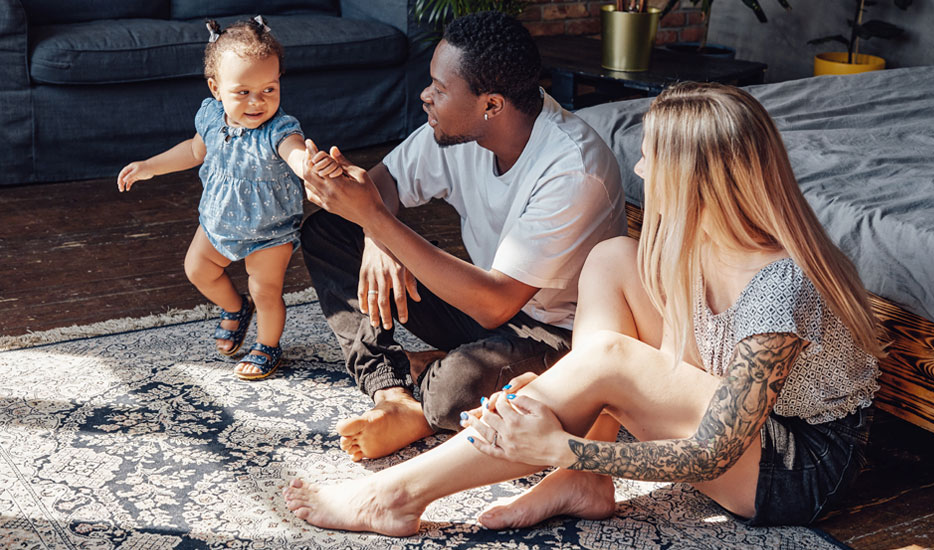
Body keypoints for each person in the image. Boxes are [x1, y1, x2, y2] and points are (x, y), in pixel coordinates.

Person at [282, 81, 883, 534]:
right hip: (739, 424)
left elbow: (714, 451)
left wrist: (558, 444)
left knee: (611, 362)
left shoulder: (780, 287)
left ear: (696, 178)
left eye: (652, 159)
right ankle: (584, 483)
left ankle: (397, 497)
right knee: (613, 259)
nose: (641, 170)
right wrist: (571, 391)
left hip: (795, 469)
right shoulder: (698, 240)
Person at [297, 11, 626, 462]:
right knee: (330, 230)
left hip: (555, 334)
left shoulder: (573, 170)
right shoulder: (457, 130)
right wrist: (375, 233)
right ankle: (392, 392)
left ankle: (428, 392)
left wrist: (377, 220)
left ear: (491, 104)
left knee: (455, 388)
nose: (425, 96)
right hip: (480, 301)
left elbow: (496, 304)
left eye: (439, 87)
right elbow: (382, 183)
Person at [117, 17, 309, 380]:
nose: (257, 102)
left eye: (269, 89)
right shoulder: (210, 118)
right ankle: (235, 309)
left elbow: (294, 151)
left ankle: (268, 345)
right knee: (198, 269)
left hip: (270, 229)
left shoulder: (279, 130)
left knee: (265, 289)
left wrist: (307, 164)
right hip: (219, 219)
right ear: (216, 88)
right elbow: (193, 151)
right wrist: (150, 166)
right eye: (243, 92)